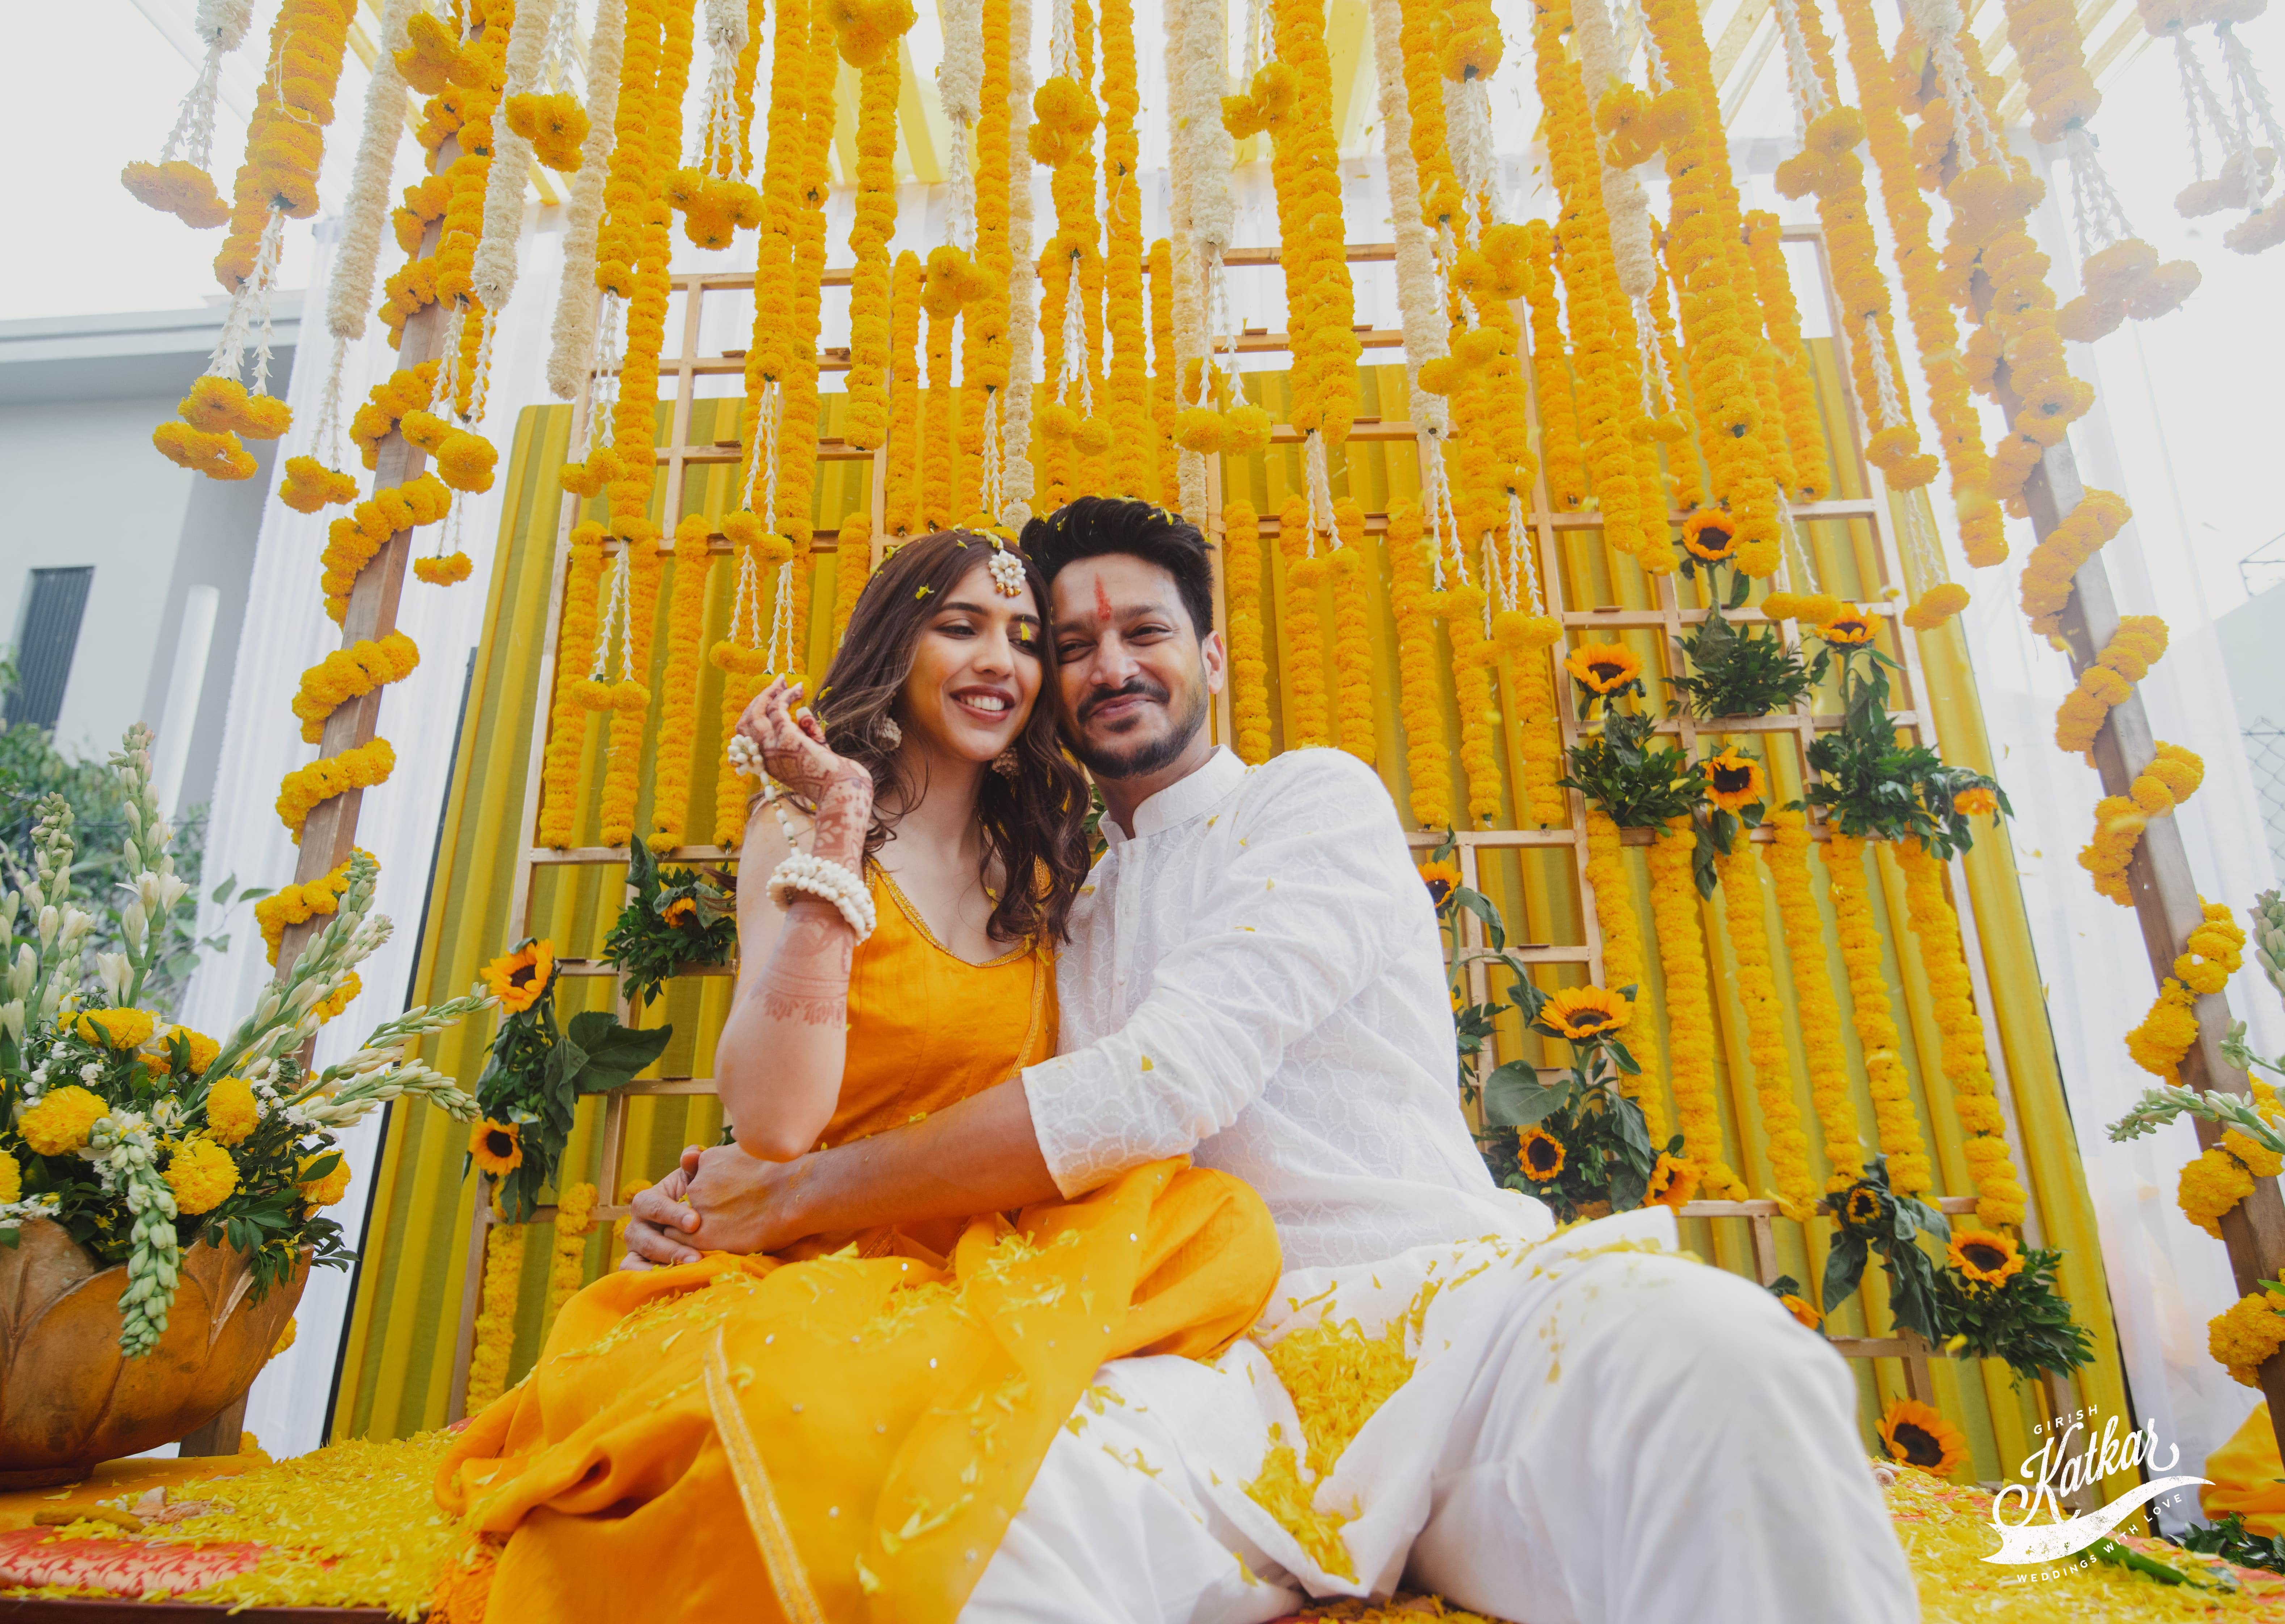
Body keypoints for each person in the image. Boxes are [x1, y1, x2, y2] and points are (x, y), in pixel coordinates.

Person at [631, 496, 1923, 1624]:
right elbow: (902, 1091)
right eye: (1070, 647)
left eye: (1141, 633)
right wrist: (716, 1200)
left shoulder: (1310, 800)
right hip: (1206, 1374)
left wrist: (790, 1197)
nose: (1104, 668)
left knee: (1721, 1358)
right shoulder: (1055, 905)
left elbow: (1158, 1087)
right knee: (963, 1544)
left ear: (1211, 655)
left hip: (1457, 1325)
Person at [435, 529, 1284, 1624]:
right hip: (821, 1248)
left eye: (1027, 640)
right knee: (780, 1401)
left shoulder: (1050, 861)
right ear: (898, 643)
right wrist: (839, 821)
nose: (1003, 662)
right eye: (962, 626)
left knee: (1219, 1222)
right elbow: (778, 1126)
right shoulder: (804, 825)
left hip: (988, 1236)